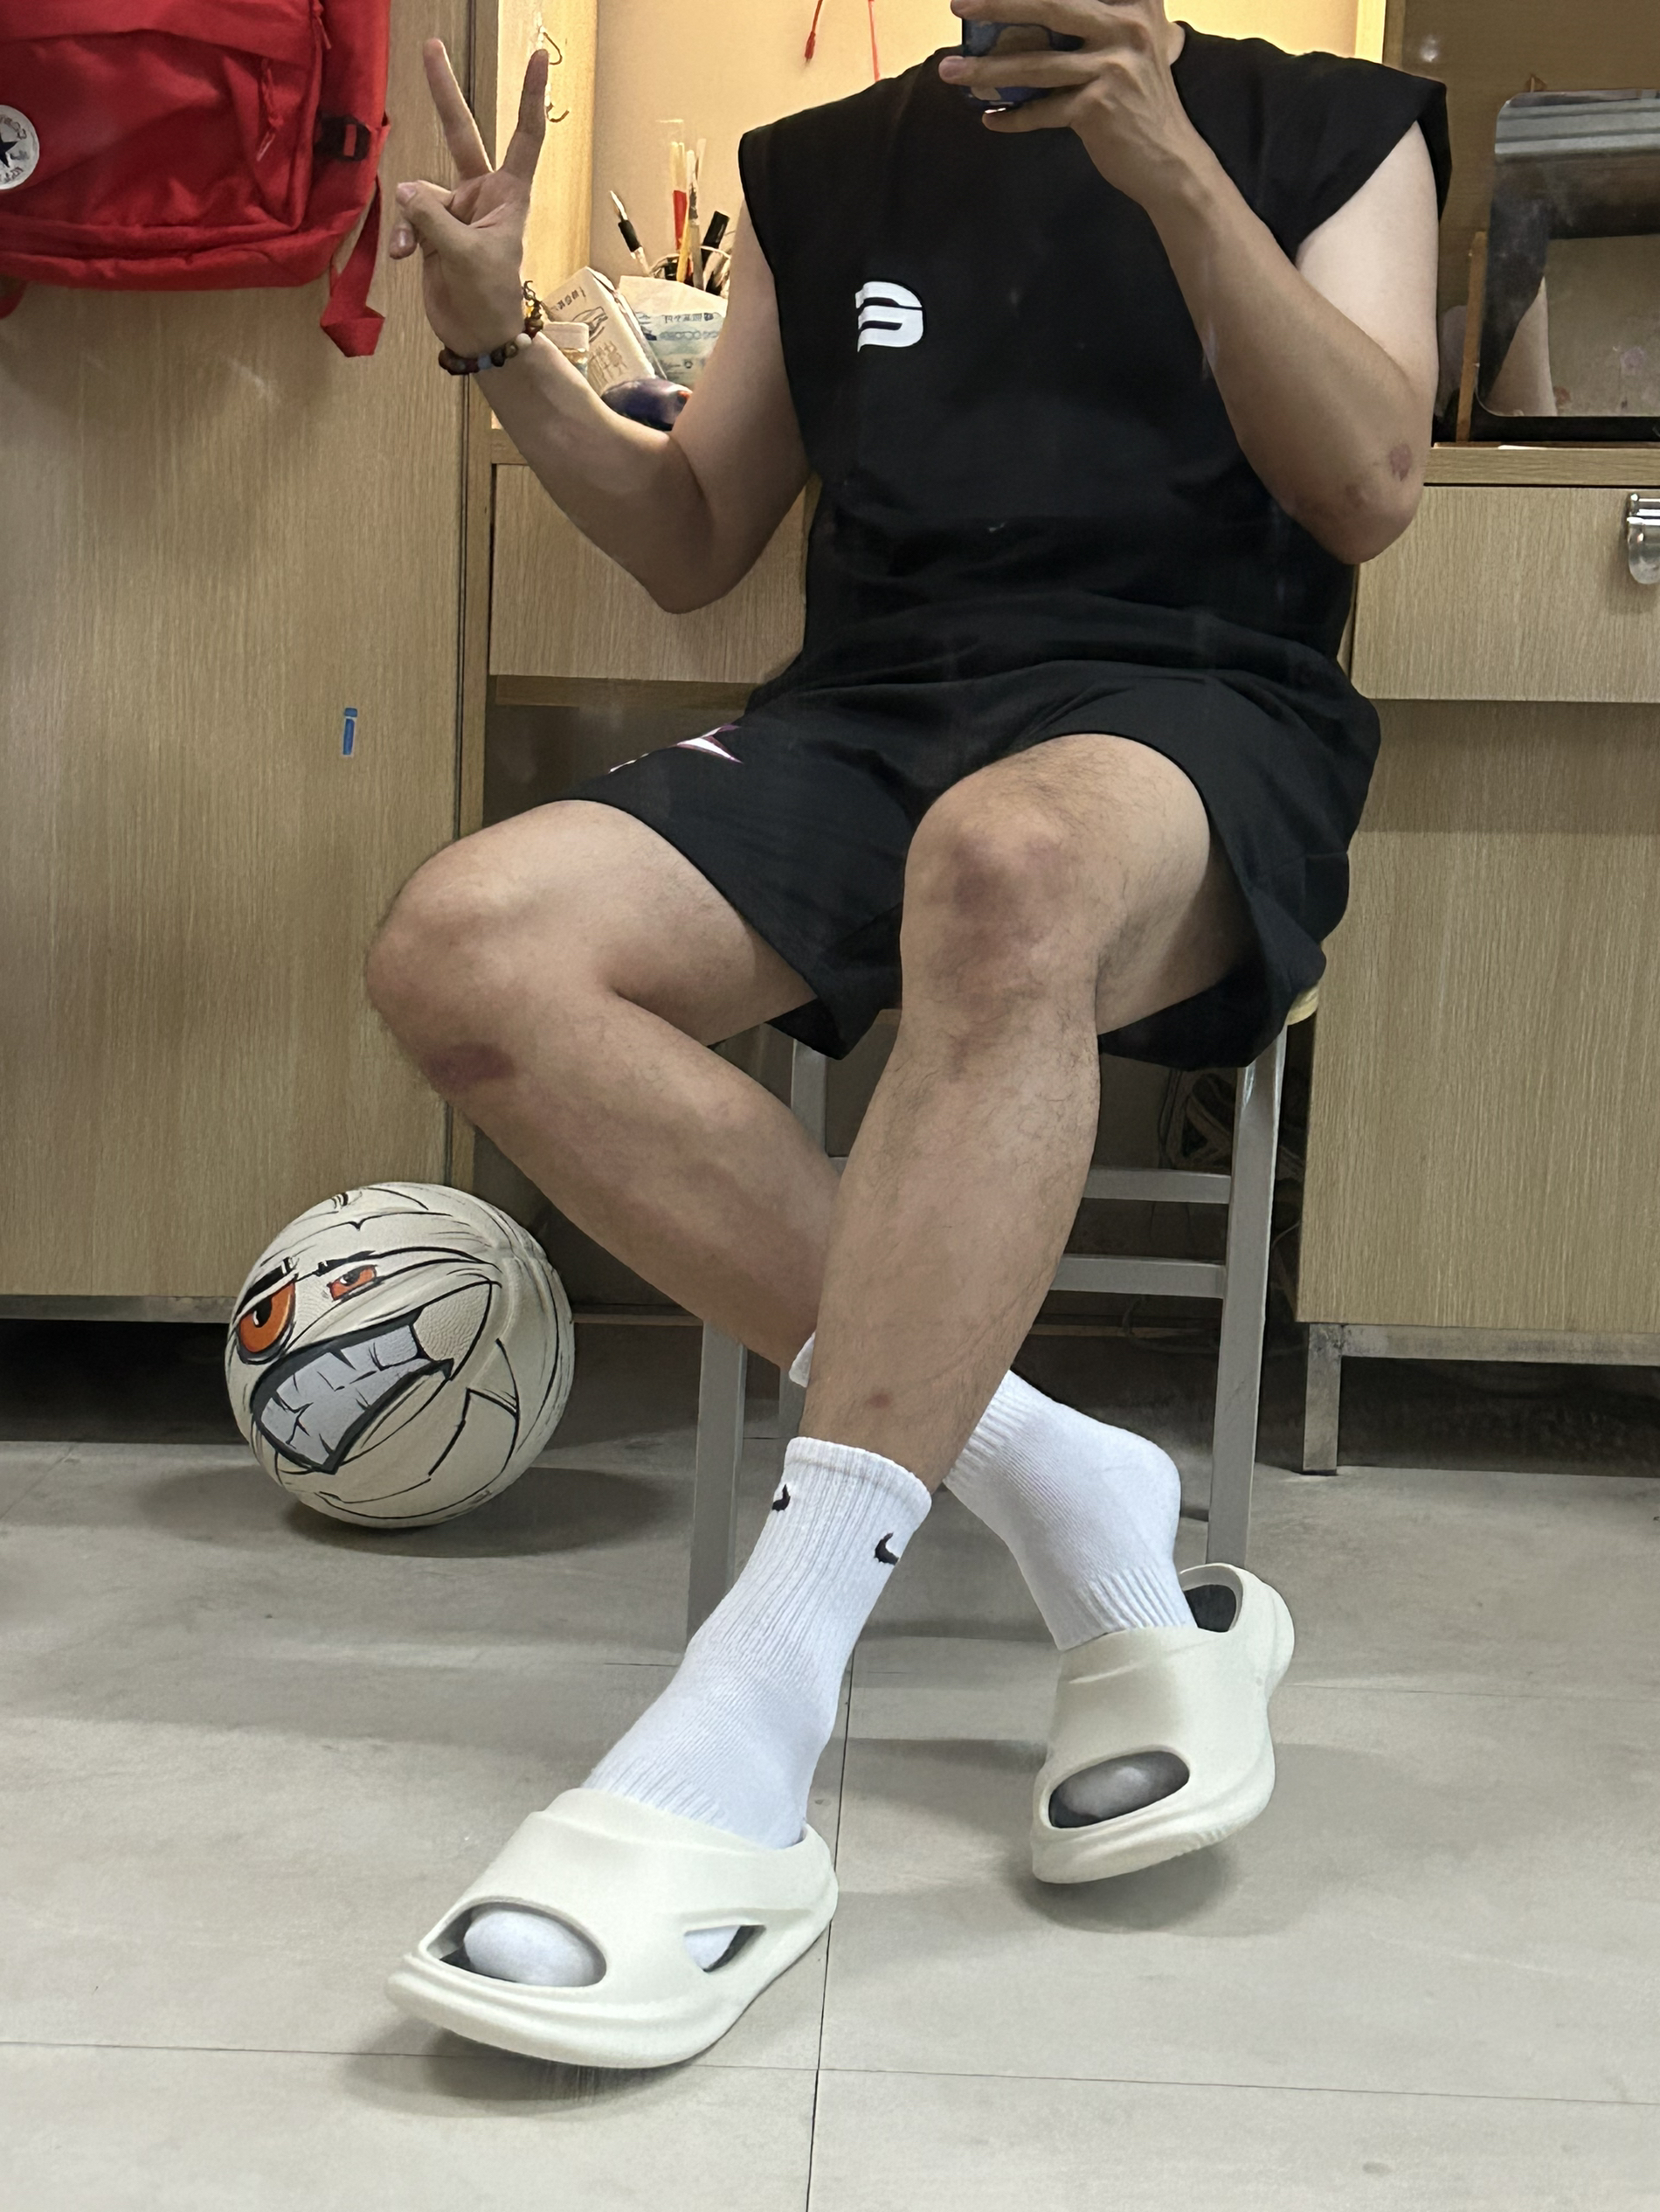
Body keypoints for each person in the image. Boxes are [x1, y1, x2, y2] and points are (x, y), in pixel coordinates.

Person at [370, 2, 1449, 2068]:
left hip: (1192, 705)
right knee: (466, 951)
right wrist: (501, 344)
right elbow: (692, 540)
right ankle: (1062, 1480)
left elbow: (1369, 482)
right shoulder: (821, 170)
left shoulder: (1326, 127)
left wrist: (1167, 170)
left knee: (1004, 868)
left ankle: (754, 1710)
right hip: (873, 717)